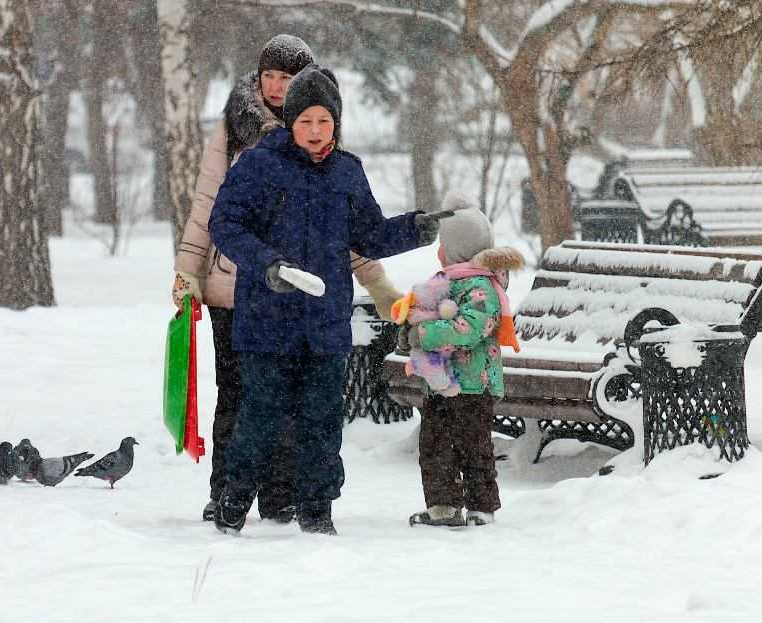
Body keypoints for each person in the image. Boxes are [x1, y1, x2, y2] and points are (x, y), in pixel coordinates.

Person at [171, 36, 403, 524]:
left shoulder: (340, 161)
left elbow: (358, 232)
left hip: (319, 312)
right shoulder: (246, 146)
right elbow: (212, 211)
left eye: (286, 78)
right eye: (268, 76)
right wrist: (191, 270)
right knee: (250, 405)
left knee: (313, 413)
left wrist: (393, 260)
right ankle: (230, 496)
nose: (275, 86)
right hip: (247, 298)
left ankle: (298, 501)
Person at [208, 64, 444, 535]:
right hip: (266, 321)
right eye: (306, 122)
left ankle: (316, 511)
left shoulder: (346, 172)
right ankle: (233, 502)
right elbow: (225, 225)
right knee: (260, 415)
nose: (316, 132)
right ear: (291, 123)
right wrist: (268, 263)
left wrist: (414, 229)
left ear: (336, 122)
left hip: (324, 323)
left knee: (321, 421)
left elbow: (369, 235)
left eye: (325, 122)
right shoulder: (258, 165)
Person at [403, 193, 525, 528]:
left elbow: (468, 330)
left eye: (443, 244)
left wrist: (424, 334)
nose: (439, 251)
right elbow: (423, 312)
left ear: (456, 249)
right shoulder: (447, 282)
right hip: (442, 385)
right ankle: (443, 506)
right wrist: (410, 325)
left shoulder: (481, 287)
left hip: (473, 384)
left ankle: (481, 506)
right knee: (435, 445)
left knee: (474, 447)